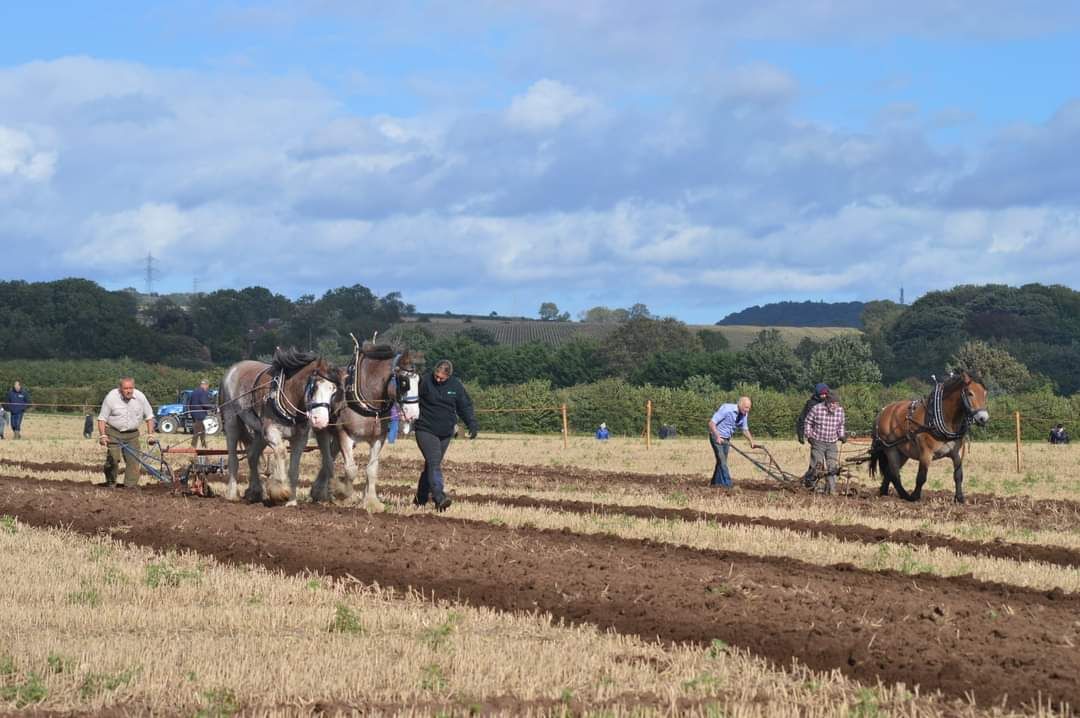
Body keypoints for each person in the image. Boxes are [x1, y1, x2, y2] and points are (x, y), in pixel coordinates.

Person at [413, 359, 478, 511]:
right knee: (434, 461)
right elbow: (409, 396)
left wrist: (472, 423)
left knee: (431, 465)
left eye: (441, 378)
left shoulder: (456, 386)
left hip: (445, 432)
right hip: (425, 429)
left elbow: (464, 406)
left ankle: (420, 499)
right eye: (436, 376)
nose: (438, 379)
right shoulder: (425, 382)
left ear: (448, 376)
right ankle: (439, 497)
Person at [97, 377, 155, 488]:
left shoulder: (140, 397)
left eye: (131, 388)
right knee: (113, 459)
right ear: (120, 389)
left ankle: (130, 487)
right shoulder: (111, 397)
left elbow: (149, 416)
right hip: (113, 432)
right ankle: (110, 482)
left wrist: (150, 435)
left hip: (132, 434)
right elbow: (102, 419)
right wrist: (103, 436)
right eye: (125, 388)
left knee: (133, 461)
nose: (128, 391)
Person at [803, 389, 847, 494]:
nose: (834, 406)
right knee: (817, 465)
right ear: (827, 402)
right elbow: (807, 422)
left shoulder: (840, 411)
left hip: (832, 442)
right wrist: (809, 436)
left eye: (836, 403)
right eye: (832, 403)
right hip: (818, 441)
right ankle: (815, 488)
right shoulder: (817, 409)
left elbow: (840, 425)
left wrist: (842, 435)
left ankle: (831, 490)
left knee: (832, 467)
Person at [707, 396, 756, 488]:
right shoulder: (726, 409)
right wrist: (717, 436)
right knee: (722, 461)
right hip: (716, 436)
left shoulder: (744, 414)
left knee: (721, 461)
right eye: (746, 407)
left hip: (726, 439)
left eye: (749, 408)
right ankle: (728, 485)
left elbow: (744, 429)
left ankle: (715, 483)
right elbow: (711, 423)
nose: (748, 410)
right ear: (740, 405)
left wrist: (751, 441)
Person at [186, 379, 215, 448]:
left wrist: (191, 412)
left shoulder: (194, 391)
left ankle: (204, 445)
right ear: (205, 385)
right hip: (199, 414)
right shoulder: (203, 392)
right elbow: (204, 403)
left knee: (201, 430)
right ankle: (193, 446)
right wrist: (213, 407)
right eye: (207, 386)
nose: (207, 388)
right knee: (197, 431)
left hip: (194, 413)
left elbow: (189, 403)